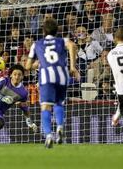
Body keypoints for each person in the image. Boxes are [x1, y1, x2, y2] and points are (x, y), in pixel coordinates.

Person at [25, 18, 79, 148]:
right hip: (62, 75)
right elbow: (72, 45)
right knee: (59, 103)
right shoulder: (62, 40)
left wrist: (38, 64)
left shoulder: (36, 44)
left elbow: (27, 66)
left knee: (46, 107)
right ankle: (60, 127)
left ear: (43, 30)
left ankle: (49, 135)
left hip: (46, 77)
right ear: (57, 30)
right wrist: (72, 66)